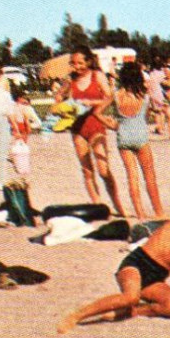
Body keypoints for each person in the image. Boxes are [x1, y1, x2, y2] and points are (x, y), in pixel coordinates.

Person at [57, 189, 170, 333]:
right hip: (137, 264)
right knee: (130, 297)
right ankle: (78, 315)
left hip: (155, 277)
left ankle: (132, 312)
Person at [56, 47, 127, 217]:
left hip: (96, 125)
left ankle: (118, 204)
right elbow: (58, 96)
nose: (77, 66)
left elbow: (109, 97)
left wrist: (92, 102)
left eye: (80, 62)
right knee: (87, 169)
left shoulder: (98, 75)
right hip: (78, 127)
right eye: (73, 63)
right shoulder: (69, 79)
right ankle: (97, 205)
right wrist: (63, 103)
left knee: (103, 169)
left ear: (88, 61)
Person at [113, 62, 165, 219]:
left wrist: (112, 124)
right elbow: (147, 116)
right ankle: (159, 212)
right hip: (140, 136)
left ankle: (140, 214)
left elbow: (98, 111)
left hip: (123, 136)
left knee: (132, 176)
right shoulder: (144, 96)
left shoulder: (116, 95)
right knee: (149, 176)